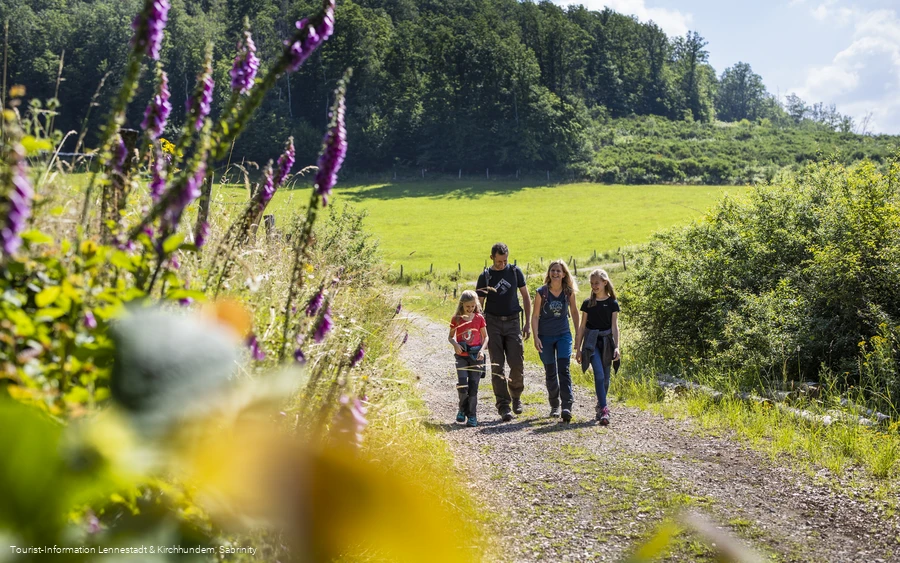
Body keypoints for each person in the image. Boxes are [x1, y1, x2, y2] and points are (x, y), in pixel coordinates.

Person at [476, 242, 531, 422]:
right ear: (492, 258)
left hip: (514, 321)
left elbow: (525, 296)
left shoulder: (515, 272)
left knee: (516, 362)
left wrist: (528, 323)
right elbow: (479, 305)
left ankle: (516, 397)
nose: (502, 264)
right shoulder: (485, 276)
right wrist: (480, 332)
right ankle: (503, 405)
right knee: (497, 365)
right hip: (493, 323)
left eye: (505, 261)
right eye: (499, 261)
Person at [532, 260, 580, 423]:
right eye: (553, 270)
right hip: (545, 336)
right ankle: (554, 405)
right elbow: (535, 315)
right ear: (549, 273)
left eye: (558, 271)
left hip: (563, 335)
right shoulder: (541, 292)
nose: (555, 273)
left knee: (564, 369)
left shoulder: (568, 292)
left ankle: (567, 405)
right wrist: (536, 336)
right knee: (550, 372)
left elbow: (574, 312)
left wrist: (578, 333)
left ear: (564, 274)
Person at [575, 268, 620, 425]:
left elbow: (614, 327)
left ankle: (600, 406)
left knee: (606, 378)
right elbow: (582, 327)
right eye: (592, 283)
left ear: (604, 283)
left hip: (607, 342)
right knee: (599, 374)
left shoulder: (612, 303)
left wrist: (617, 347)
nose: (594, 286)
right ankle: (605, 408)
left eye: (597, 283)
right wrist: (578, 347)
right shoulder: (587, 304)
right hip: (591, 342)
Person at [449, 290, 489, 427]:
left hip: (476, 356)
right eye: (468, 307)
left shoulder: (479, 318)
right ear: (462, 305)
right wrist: (455, 344)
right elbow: (450, 336)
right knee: (462, 384)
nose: (470, 309)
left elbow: (486, 337)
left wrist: (482, 351)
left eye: (473, 306)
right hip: (461, 357)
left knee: (473, 386)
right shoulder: (456, 319)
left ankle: (472, 415)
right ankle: (462, 410)